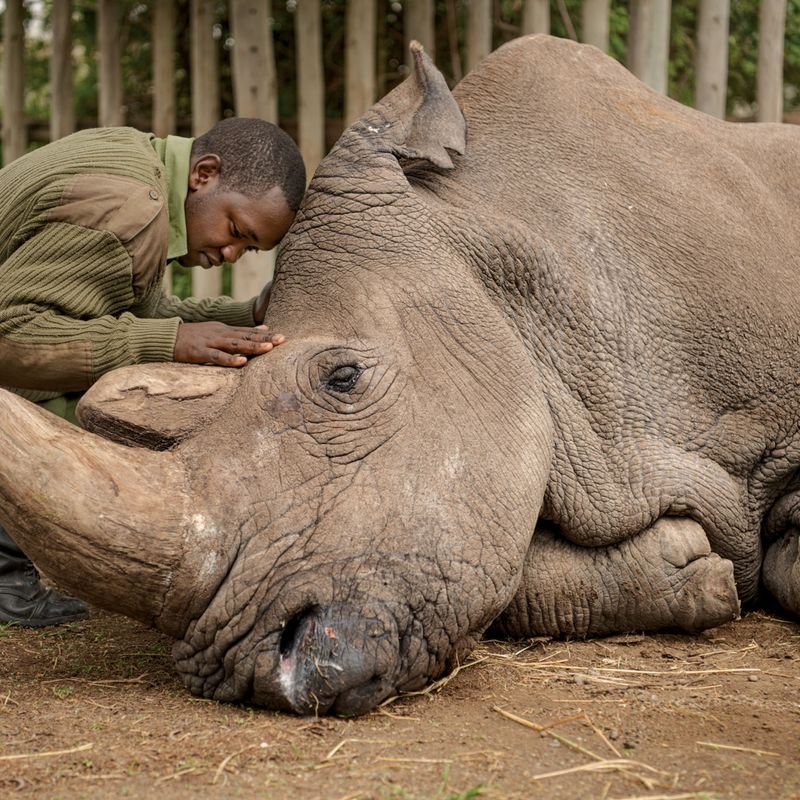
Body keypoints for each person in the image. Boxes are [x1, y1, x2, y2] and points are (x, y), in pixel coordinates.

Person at [0, 117, 307, 626]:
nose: (230, 254)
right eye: (236, 231)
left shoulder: (139, 163)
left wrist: (246, 317)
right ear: (204, 174)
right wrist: (169, 343)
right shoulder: (129, 209)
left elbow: (125, 311)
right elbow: (11, 336)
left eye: (248, 250)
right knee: (107, 414)